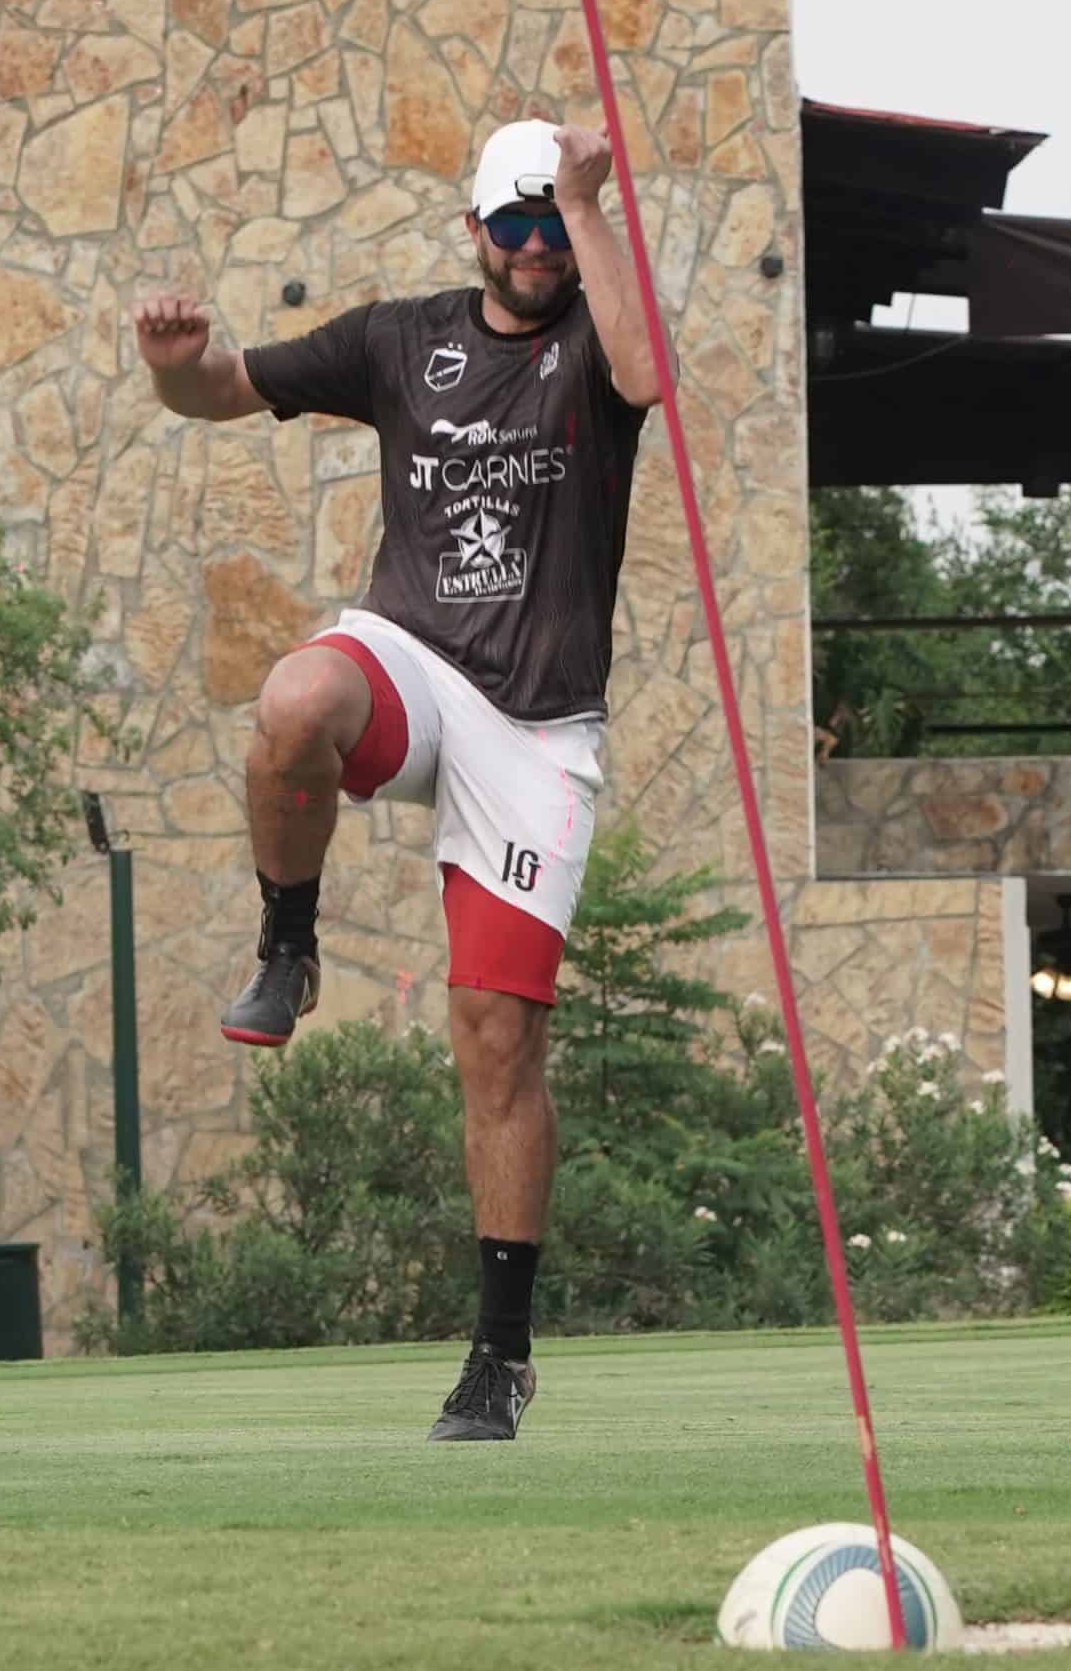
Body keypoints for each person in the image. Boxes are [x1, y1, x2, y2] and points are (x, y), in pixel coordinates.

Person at [128, 120, 661, 1441]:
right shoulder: (397, 338)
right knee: (295, 694)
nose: (536, 246)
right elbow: (222, 390)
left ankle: (500, 1355)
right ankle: (287, 944)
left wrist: (595, 205)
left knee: (497, 1041)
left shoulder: (598, 340)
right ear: (472, 229)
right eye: (517, 223)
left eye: (555, 225)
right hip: (414, 664)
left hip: (536, 728)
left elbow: (651, 378)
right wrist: (177, 370)